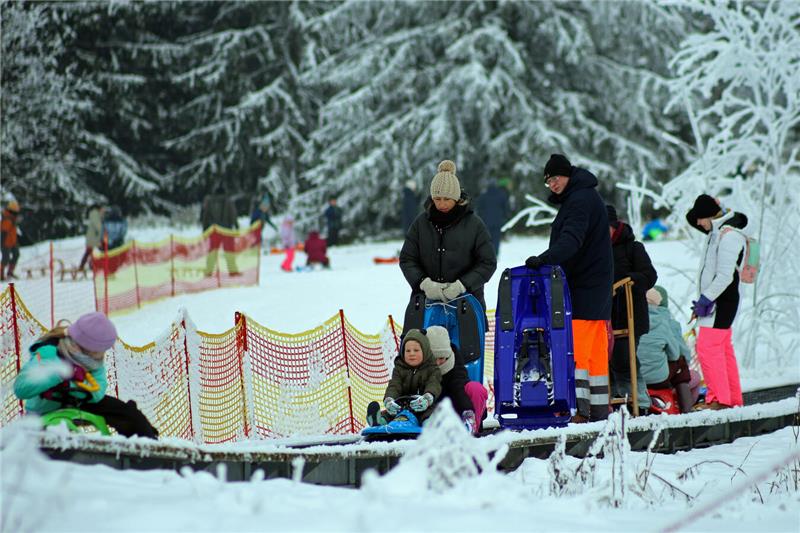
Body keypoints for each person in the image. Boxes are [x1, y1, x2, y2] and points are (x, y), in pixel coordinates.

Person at [525, 154, 613, 423]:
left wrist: (544, 259)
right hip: (597, 287)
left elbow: (571, 241)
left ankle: (578, 411)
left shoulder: (578, 201)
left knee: (578, 352)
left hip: (585, 287)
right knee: (597, 356)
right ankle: (599, 410)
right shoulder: (585, 197)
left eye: (555, 178)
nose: (552, 184)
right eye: (548, 181)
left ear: (568, 175)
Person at [13, 312, 158, 438]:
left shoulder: (93, 361)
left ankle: (146, 445)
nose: (102, 354)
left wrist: (75, 386)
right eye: (99, 350)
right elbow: (21, 388)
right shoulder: (48, 353)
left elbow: (98, 391)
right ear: (85, 346)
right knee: (39, 437)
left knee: (128, 414)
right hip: (43, 409)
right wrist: (60, 374)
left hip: (79, 403)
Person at [399, 159, 497, 320]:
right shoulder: (420, 223)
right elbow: (407, 259)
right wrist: (424, 283)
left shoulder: (474, 224)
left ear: (457, 198)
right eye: (437, 199)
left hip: (467, 308)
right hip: (426, 306)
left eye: (447, 199)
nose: (442, 204)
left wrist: (462, 285)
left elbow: (488, 262)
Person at [685, 194, 748, 410]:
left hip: (722, 301)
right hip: (718, 301)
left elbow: (724, 276)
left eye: (699, 219)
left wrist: (706, 299)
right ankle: (732, 398)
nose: (698, 224)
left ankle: (718, 399)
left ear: (709, 215)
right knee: (722, 348)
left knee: (708, 348)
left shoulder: (728, 237)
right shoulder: (717, 233)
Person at [607, 204, 658, 414]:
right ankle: (621, 401)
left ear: (614, 226)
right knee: (611, 358)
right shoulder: (596, 250)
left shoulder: (634, 248)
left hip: (630, 312)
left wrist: (628, 281)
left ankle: (638, 402)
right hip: (608, 313)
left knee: (623, 357)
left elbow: (650, 275)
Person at [638, 286, 700, 413]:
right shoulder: (665, 322)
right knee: (681, 363)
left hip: (634, 376)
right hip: (658, 378)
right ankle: (686, 409)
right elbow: (675, 354)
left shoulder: (631, 321)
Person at [366, 328, 442, 426]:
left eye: (416, 350)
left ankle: (429, 424)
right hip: (403, 405)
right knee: (391, 413)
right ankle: (379, 421)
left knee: (428, 413)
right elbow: (394, 385)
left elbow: (434, 384)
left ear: (425, 351)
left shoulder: (432, 369)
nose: (412, 354)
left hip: (423, 405)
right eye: (408, 351)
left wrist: (427, 398)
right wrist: (389, 400)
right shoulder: (399, 368)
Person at [426, 325, 487, 435]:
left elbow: (458, 385)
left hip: (458, 404)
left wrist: (467, 411)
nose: (439, 363)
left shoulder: (454, 360)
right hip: (433, 410)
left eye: (442, 358)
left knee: (476, 388)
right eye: (434, 358)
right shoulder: (420, 363)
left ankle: (472, 428)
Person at [201, 184, 239, 276]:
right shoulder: (228, 201)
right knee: (229, 250)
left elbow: (205, 215)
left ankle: (209, 271)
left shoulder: (209, 202)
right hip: (227, 230)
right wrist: (236, 226)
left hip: (214, 230)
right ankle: (232, 270)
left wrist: (205, 229)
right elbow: (233, 214)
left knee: (212, 251)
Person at [477, 177, 511, 256]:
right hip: (498, 221)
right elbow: (506, 208)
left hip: (486, 222)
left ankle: (487, 254)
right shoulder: (502, 195)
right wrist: (505, 218)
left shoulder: (483, 195)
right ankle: (495, 254)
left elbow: (479, 209)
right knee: (496, 239)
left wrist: (480, 218)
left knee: (487, 239)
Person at [79, 204, 104, 271]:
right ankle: (94, 265)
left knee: (89, 252)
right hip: (94, 238)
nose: (103, 211)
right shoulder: (95, 214)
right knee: (102, 250)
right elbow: (98, 226)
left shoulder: (95, 214)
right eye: (102, 209)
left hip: (92, 237)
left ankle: (84, 265)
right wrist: (103, 231)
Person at [1, 200, 21, 281]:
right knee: (5, 259)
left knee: (16, 254)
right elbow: (4, 231)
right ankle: (1, 274)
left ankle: (10, 272)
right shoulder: (7, 219)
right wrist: (2, 243)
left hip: (13, 241)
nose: (17, 213)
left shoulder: (12, 218)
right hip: (5, 242)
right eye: (15, 212)